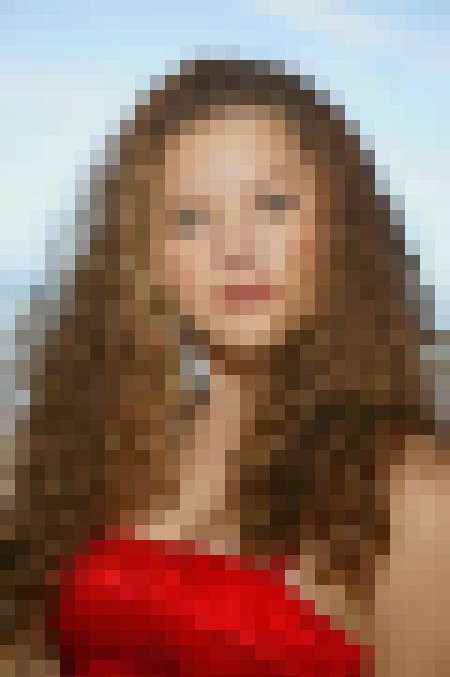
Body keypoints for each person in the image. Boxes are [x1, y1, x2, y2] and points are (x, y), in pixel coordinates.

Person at [13, 58, 436, 675]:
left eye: (273, 204)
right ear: (147, 259)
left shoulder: (411, 495)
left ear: (340, 233)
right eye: (189, 217)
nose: (236, 249)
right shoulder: (114, 452)